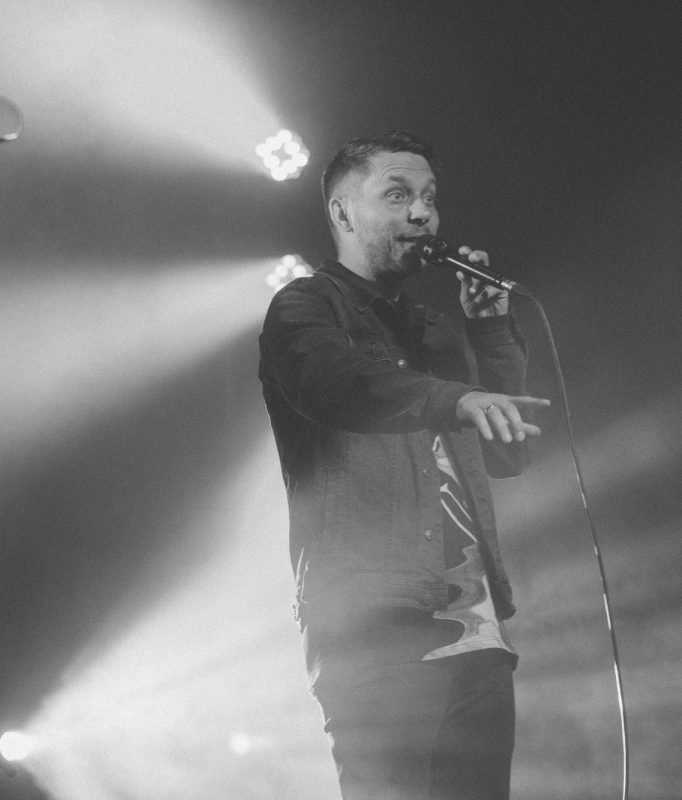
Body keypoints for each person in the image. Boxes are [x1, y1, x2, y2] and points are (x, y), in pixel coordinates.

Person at [258, 130, 551, 800]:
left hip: (475, 633)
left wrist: (490, 332)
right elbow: (335, 385)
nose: (423, 213)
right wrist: (454, 397)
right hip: (373, 623)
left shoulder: (434, 331)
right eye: (398, 195)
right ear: (342, 212)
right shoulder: (305, 307)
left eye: (429, 197)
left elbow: (509, 451)